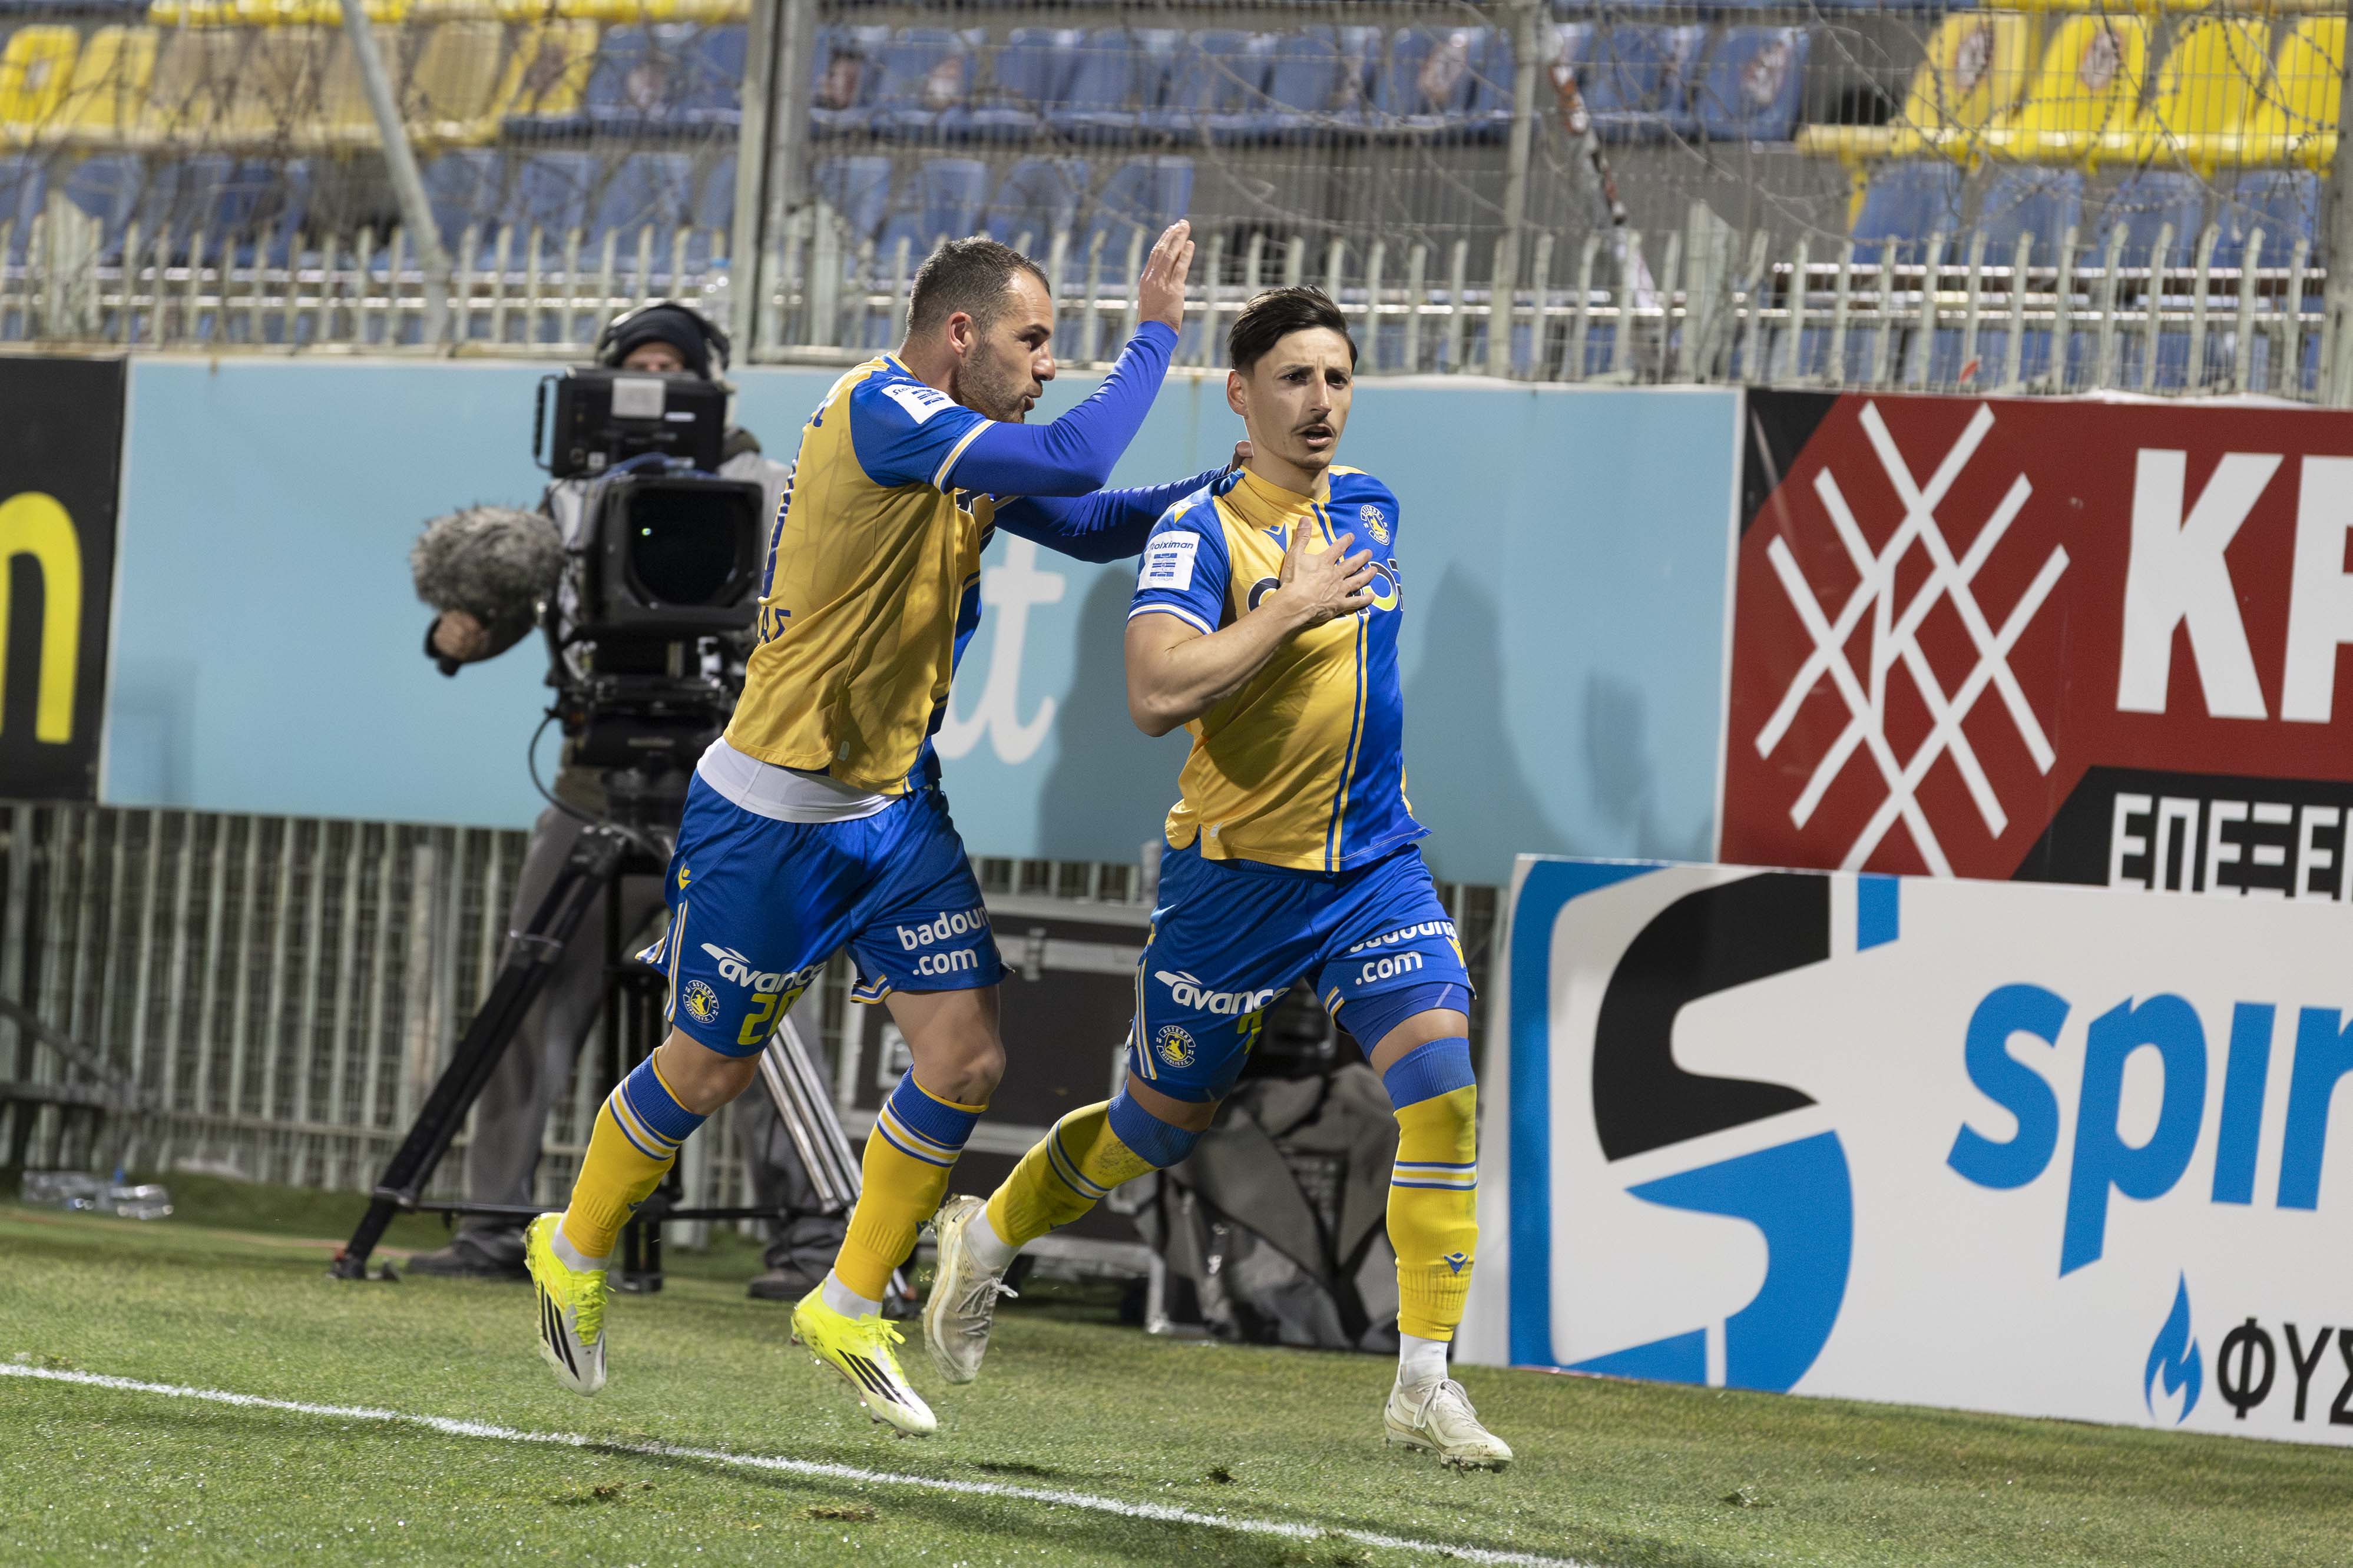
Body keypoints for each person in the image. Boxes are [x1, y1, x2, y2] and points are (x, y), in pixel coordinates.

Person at [526, 228, 1227, 1436]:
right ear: (960, 333)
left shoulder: (965, 444)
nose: (1048, 365)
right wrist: (1156, 334)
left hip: (895, 806)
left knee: (967, 1060)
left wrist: (1242, 488)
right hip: (772, 815)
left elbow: (1096, 518)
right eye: (1033, 340)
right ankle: (574, 1246)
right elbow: (1079, 454)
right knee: (709, 1069)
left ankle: (848, 1305)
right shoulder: (885, 412)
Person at [924, 286, 1513, 1468]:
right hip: (1233, 885)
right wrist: (1289, 611)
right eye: (1295, 378)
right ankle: (983, 1241)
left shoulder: (1371, 507)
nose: (1322, 401)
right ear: (1241, 395)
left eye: (1338, 378)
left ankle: (1423, 1381)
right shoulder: (1198, 533)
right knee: (1154, 1127)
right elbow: (1155, 694)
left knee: (1444, 1095)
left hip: (1372, 871)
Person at [408, 300, 830, 1300]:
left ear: (711, 387)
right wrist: (463, 629)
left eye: (673, 370)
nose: (656, 387)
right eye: (637, 368)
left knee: (769, 1012)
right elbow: (522, 609)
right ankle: (494, 1224)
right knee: (529, 1002)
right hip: (593, 783)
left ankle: (817, 1240)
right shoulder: (567, 500)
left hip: (736, 789)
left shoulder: (771, 488)